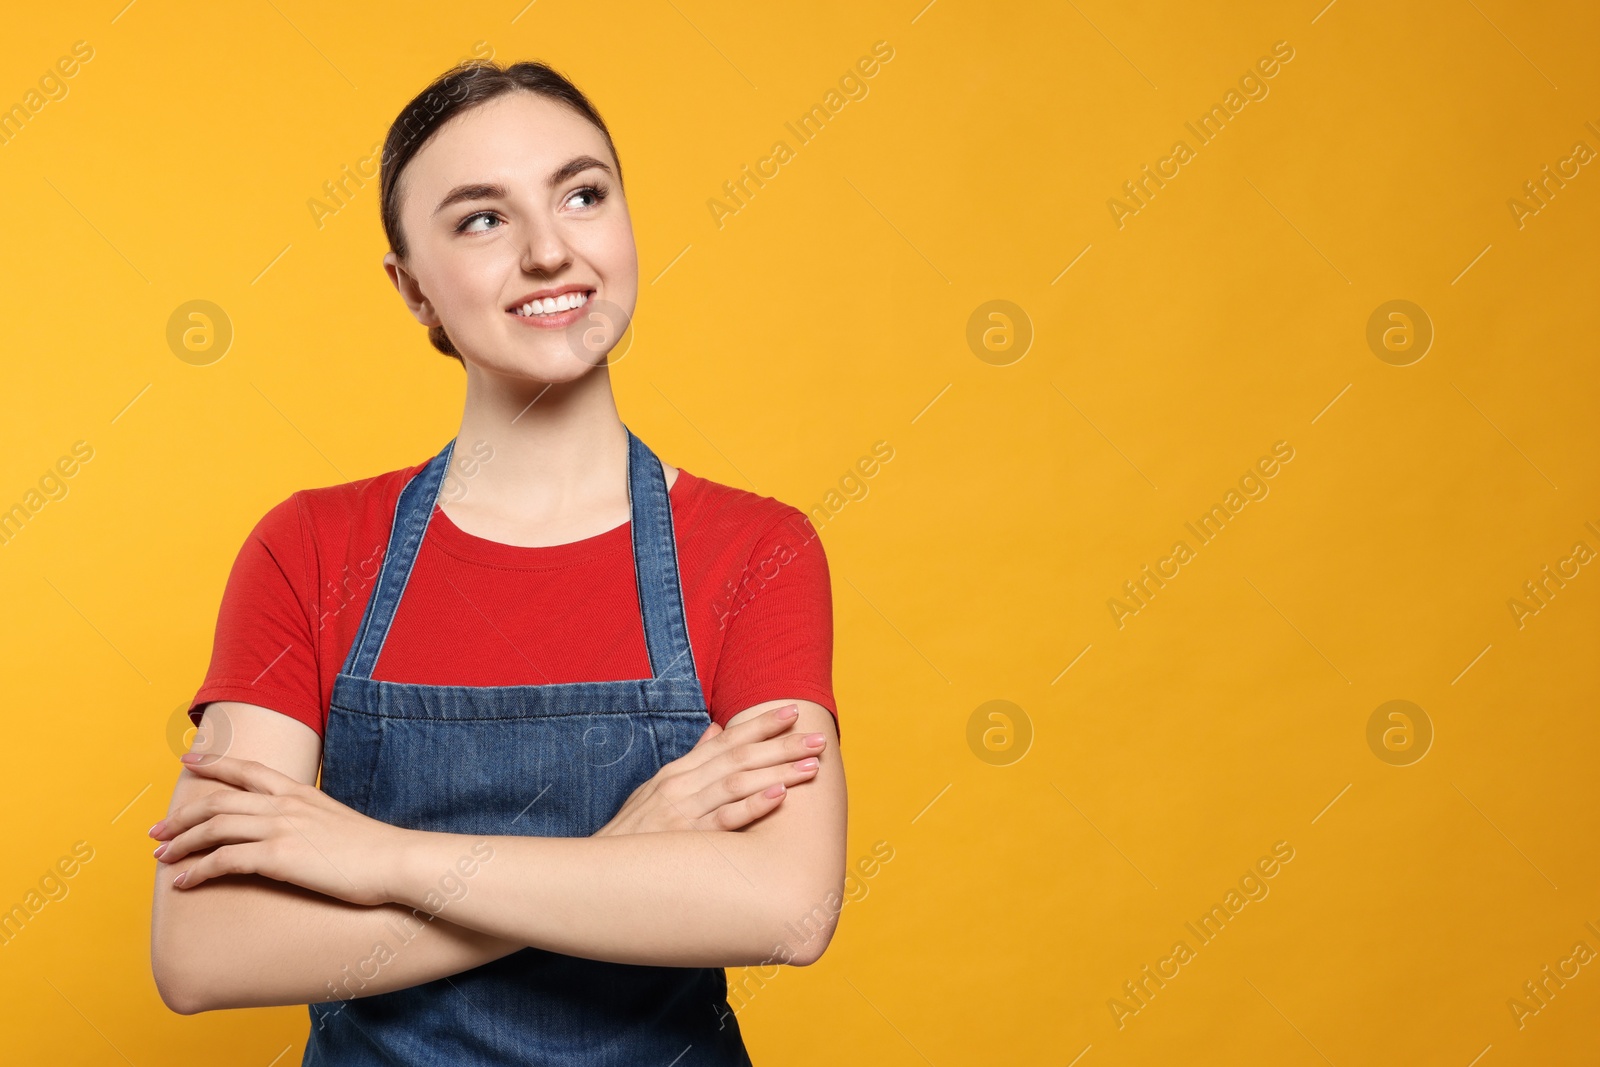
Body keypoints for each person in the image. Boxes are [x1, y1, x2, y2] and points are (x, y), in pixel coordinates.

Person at [147, 58, 847, 1065]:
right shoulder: (308, 550)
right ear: (413, 288)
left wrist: (379, 856)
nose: (550, 250)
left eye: (583, 192)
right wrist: (617, 861)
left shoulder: (756, 551)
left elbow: (787, 907)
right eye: (481, 219)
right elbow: (204, 951)